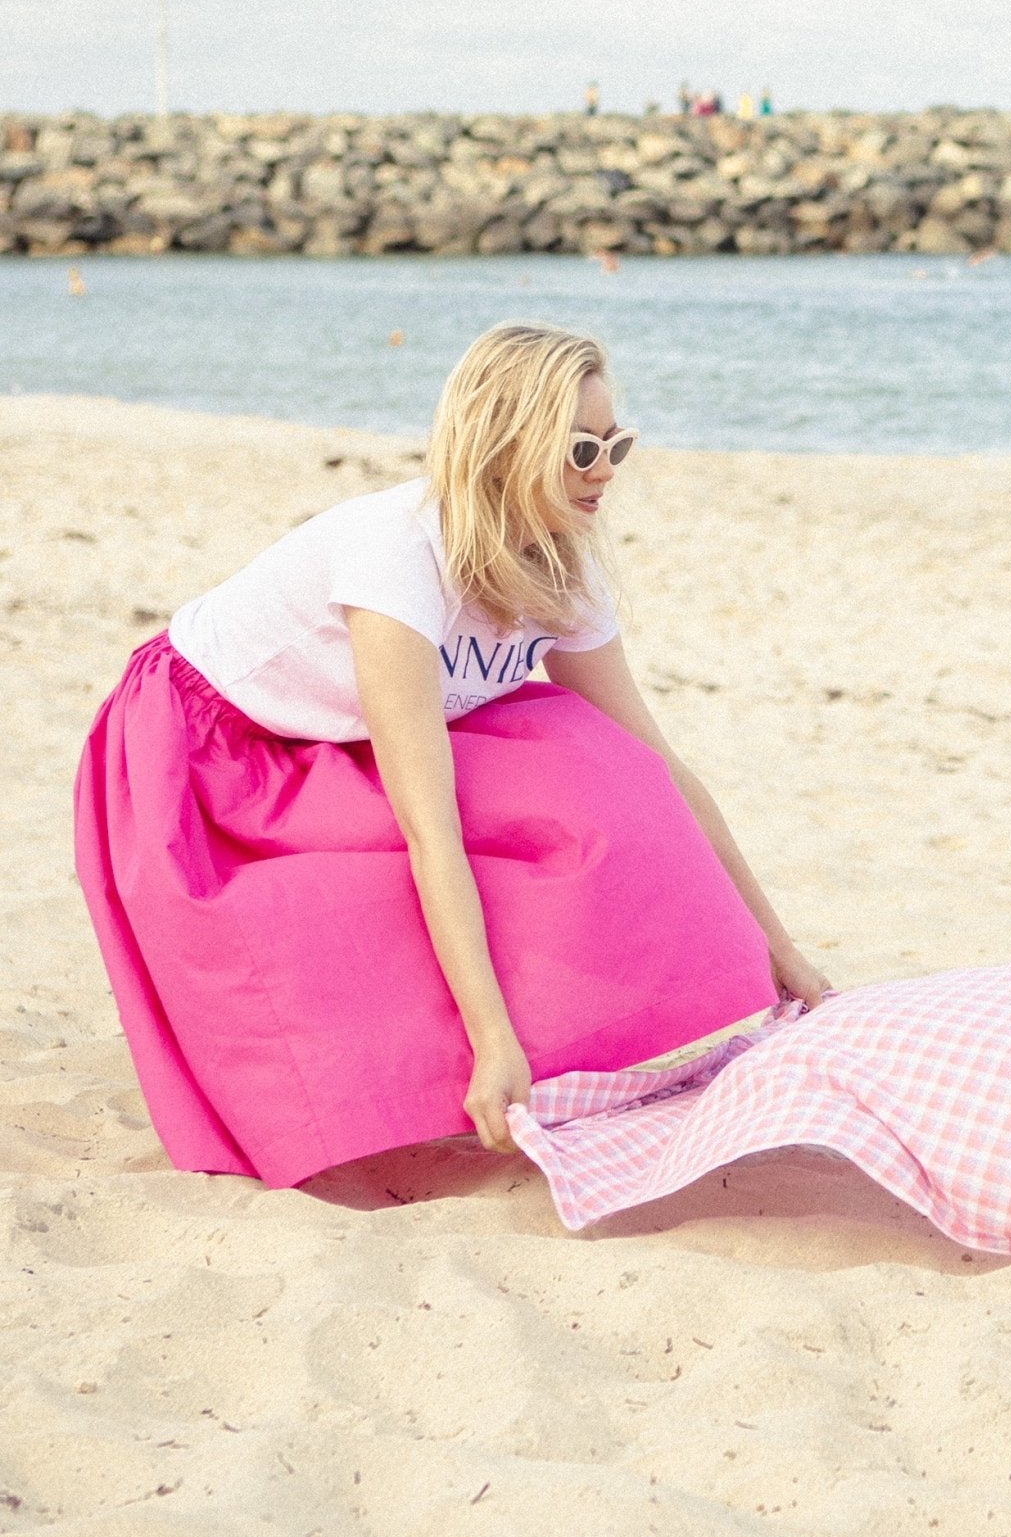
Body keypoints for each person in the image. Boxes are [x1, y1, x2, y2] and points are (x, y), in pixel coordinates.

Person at [74, 324, 830, 1190]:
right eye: (581, 448)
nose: (605, 469)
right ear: (506, 448)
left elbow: (662, 766)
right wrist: (492, 1041)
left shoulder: (560, 564)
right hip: (211, 747)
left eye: (616, 443)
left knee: (605, 774)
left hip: (339, 733)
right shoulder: (400, 560)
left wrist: (781, 952)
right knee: (381, 875)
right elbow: (429, 829)